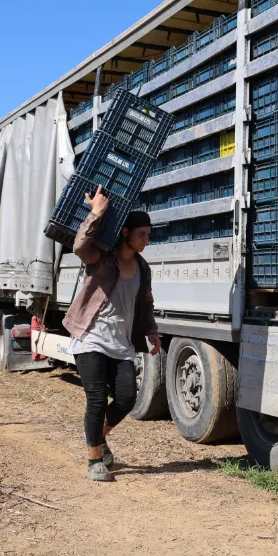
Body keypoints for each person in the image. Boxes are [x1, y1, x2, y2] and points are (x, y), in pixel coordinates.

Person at [62, 185, 161, 482]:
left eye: (149, 234)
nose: (147, 239)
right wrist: (96, 213)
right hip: (91, 336)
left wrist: (152, 332)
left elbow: (144, 305)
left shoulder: (143, 268)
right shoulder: (103, 258)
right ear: (127, 232)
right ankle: (94, 460)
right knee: (96, 398)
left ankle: (98, 436)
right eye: (142, 234)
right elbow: (80, 246)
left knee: (127, 399)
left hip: (120, 342)